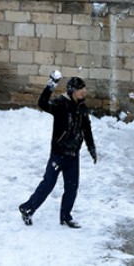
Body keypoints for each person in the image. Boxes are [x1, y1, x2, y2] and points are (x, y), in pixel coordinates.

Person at [18, 71, 97, 229]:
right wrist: (51, 84)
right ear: (73, 90)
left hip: (73, 155)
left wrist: (91, 148)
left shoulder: (82, 107)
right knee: (48, 184)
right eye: (81, 89)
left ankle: (66, 216)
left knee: (72, 188)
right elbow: (42, 103)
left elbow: (86, 129)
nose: (84, 91)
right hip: (58, 154)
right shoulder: (61, 104)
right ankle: (27, 208)